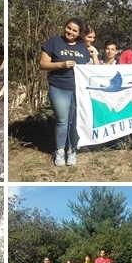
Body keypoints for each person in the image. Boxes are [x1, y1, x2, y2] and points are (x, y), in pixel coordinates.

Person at [40, 18, 91, 166]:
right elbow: (43, 65)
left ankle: (72, 150)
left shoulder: (82, 47)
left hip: (78, 90)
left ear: (79, 33)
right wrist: (62, 64)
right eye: (69, 28)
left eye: (75, 30)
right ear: (65, 27)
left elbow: (88, 68)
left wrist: (94, 56)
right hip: (59, 88)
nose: (70, 32)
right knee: (62, 120)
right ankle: (60, 151)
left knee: (75, 122)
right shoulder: (53, 42)